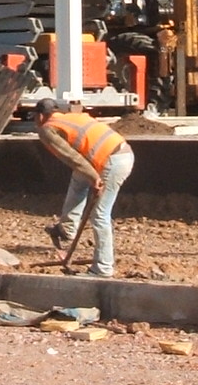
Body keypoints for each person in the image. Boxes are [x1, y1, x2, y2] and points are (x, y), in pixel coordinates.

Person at [32, 96, 135, 277]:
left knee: (100, 214)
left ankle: (103, 268)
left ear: (40, 116)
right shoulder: (70, 117)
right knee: (78, 179)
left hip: (111, 162)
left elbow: (73, 158)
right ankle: (67, 229)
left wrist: (94, 178)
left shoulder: (48, 129)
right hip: (121, 153)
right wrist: (90, 175)